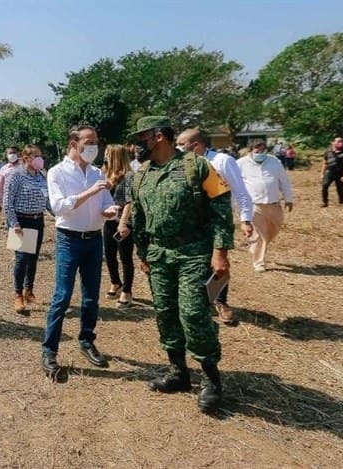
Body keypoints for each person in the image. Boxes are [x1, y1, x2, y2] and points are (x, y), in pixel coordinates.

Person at [131, 116, 234, 413]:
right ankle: (178, 373)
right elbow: (138, 217)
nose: (140, 144)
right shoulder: (142, 175)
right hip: (159, 256)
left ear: (159, 136)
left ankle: (211, 379)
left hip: (194, 254)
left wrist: (220, 252)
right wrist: (142, 254)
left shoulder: (198, 166)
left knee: (193, 313)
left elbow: (221, 210)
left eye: (144, 137)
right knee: (165, 313)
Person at [41, 124, 117, 376]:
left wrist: (109, 210)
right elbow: (59, 207)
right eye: (89, 141)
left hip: (94, 240)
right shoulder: (57, 172)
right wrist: (89, 192)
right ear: (73, 144)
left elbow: (106, 202)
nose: (94, 146)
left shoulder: (97, 172)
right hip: (69, 240)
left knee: (90, 296)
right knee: (62, 296)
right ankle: (50, 351)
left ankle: (86, 340)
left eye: (96, 141)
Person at [176, 128, 253, 325]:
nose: (177, 148)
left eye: (181, 144)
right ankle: (202, 300)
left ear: (196, 145)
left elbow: (240, 191)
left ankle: (221, 302)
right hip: (191, 222)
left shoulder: (222, 161)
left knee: (218, 262)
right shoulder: (181, 163)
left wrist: (245, 219)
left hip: (216, 220)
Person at [4, 145, 49, 315]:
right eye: (36, 156)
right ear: (26, 158)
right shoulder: (15, 175)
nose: (40, 159)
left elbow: (47, 199)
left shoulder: (41, 175)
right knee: (21, 259)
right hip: (21, 221)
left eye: (40, 155)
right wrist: (14, 224)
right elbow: (7, 202)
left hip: (38, 220)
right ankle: (17, 294)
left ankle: (28, 291)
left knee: (33, 258)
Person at [237, 140, 295, 272]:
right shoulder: (241, 163)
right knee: (261, 235)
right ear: (250, 150)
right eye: (257, 151)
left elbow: (284, 180)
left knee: (273, 231)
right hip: (255, 205)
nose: (260, 153)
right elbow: (236, 185)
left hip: (274, 203)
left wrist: (288, 198)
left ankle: (254, 246)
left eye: (263, 151)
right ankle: (259, 263)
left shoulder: (274, 161)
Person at [101, 144, 135, 308]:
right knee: (109, 254)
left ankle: (127, 291)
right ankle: (115, 282)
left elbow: (130, 201)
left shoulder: (128, 176)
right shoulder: (105, 173)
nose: (105, 155)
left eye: (108, 153)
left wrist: (124, 222)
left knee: (125, 257)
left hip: (123, 221)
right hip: (109, 221)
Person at [320, 137, 343, 207]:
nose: (340, 143)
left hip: (341, 173)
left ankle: (341, 202)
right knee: (324, 186)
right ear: (333, 142)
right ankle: (324, 202)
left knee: (340, 189)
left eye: (341, 142)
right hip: (329, 172)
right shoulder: (327, 152)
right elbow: (325, 163)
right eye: (338, 141)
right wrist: (322, 173)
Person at [0, 146, 21, 215]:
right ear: (7, 155)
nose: (12, 155)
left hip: (22, 204)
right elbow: (0, 188)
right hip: (8, 203)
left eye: (14, 152)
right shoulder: (4, 169)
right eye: (10, 153)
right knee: (11, 224)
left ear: (18, 154)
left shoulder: (24, 167)